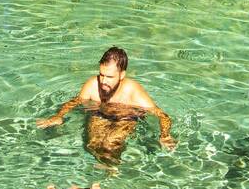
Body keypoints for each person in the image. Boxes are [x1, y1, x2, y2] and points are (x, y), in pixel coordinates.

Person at [36, 46, 176, 153]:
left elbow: (163, 116)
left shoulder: (133, 91)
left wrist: (165, 135)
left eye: (109, 77)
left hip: (125, 118)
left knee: (110, 145)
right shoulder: (92, 84)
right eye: (101, 74)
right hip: (100, 115)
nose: (103, 81)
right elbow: (76, 101)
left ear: (122, 75)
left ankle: (112, 171)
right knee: (93, 145)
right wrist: (59, 116)